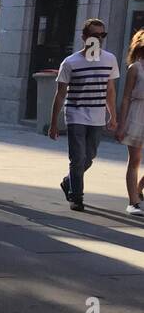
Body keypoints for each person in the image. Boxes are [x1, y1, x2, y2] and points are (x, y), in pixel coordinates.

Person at [50, 17, 119, 212]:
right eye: (94, 35)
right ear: (84, 37)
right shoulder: (70, 62)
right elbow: (60, 93)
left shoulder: (109, 59)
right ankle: (76, 197)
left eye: (102, 35)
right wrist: (54, 123)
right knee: (78, 158)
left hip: (97, 117)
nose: (99, 38)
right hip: (76, 115)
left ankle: (67, 182)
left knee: (89, 157)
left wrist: (113, 116)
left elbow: (110, 90)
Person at [116, 29, 144, 215]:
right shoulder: (135, 68)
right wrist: (121, 124)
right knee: (134, 160)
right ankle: (133, 202)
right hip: (137, 114)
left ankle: (139, 188)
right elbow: (125, 97)